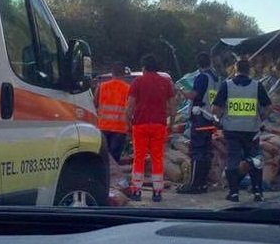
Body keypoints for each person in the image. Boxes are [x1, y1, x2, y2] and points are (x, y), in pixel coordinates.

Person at [211, 59, 272, 203]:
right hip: (251, 130)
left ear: (235, 69)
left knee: (233, 159)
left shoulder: (227, 85)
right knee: (255, 160)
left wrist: (219, 120)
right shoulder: (257, 86)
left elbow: (215, 109)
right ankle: (258, 192)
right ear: (249, 70)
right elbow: (269, 107)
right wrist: (260, 118)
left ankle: (234, 193)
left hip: (231, 130)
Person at [125, 54, 176, 203]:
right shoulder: (166, 82)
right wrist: (171, 124)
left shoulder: (137, 82)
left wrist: (128, 123)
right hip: (159, 125)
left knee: (139, 158)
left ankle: (136, 191)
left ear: (144, 67)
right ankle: (157, 192)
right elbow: (173, 107)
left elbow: (130, 107)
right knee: (157, 158)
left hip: (140, 125)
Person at [177, 52, 219, 194]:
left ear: (198, 64)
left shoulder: (202, 77)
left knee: (197, 152)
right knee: (206, 152)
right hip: (210, 117)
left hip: (200, 117)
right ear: (210, 62)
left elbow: (193, 95)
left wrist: (182, 91)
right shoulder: (215, 78)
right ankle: (202, 183)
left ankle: (194, 184)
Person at [94, 61, 130, 163]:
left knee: (103, 156)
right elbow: (130, 109)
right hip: (120, 128)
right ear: (124, 74)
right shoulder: (128, 88)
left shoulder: (102, 86)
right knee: (115, 158)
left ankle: (104, 177)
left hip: (103, 126)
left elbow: (95, 104)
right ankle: (113, 177)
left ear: (112, 73)